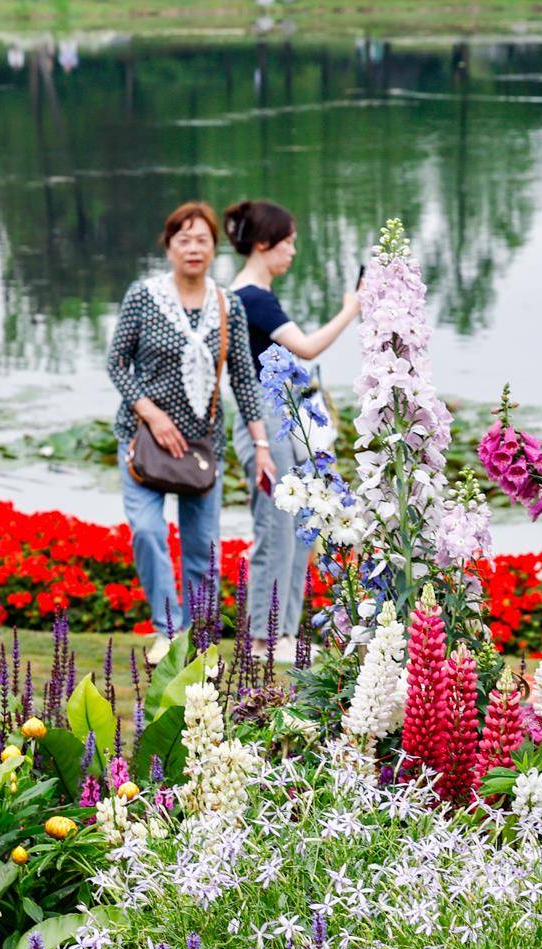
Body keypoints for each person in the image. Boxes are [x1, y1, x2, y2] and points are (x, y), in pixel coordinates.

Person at [108, 200, 272, 636]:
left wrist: (261, 445)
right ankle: (167, 632)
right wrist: (152, 415)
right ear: (169, 247)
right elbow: (116, 363)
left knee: (202, 549)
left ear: (214, 249)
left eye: (202, 240)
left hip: (202, 447)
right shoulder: (143, 297)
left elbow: (244, 381)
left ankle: (197, 640)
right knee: (147, 532)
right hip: (143, 440)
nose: (193, 248)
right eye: (184, 240)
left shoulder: (228, 306)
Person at [223, 198, 358, 644]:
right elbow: (308, 347)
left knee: (303, 528)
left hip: (287, 413)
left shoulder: (254, 297)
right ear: (263, 244)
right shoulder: (250, 300)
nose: (293, 252)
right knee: (275, 529)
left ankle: (282, 635)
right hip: (264, 417)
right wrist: (350, 310)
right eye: (289, 243)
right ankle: (262, 638)